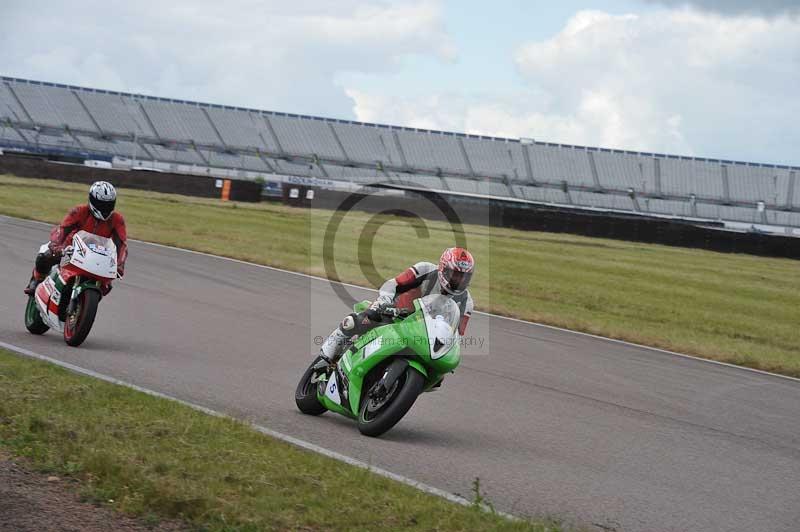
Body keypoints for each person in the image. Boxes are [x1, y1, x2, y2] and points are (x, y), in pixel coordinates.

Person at [319, 247, 475, 365]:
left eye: (464, 277)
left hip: (421, 336)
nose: (459, 280)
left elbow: (457, 335)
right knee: (358, 321)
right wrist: (383, 303)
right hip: (394, 315)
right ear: (443, 268)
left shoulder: (466, 301)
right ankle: (325, 357)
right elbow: (393, 285)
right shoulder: (425, 270)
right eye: (456, 274)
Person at [24, 181, 128, 295]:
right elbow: (62, 229)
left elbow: (121, 244)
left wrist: (119, 264)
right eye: (101, 204)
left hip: (98, 255)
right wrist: (56, 246)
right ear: (91, 200)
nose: (105, 208)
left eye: (108, 205)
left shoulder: (117, 220)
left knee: (106, 286)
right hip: (70, 249)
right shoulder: (79, 211)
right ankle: (36, 280)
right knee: (45, 256)